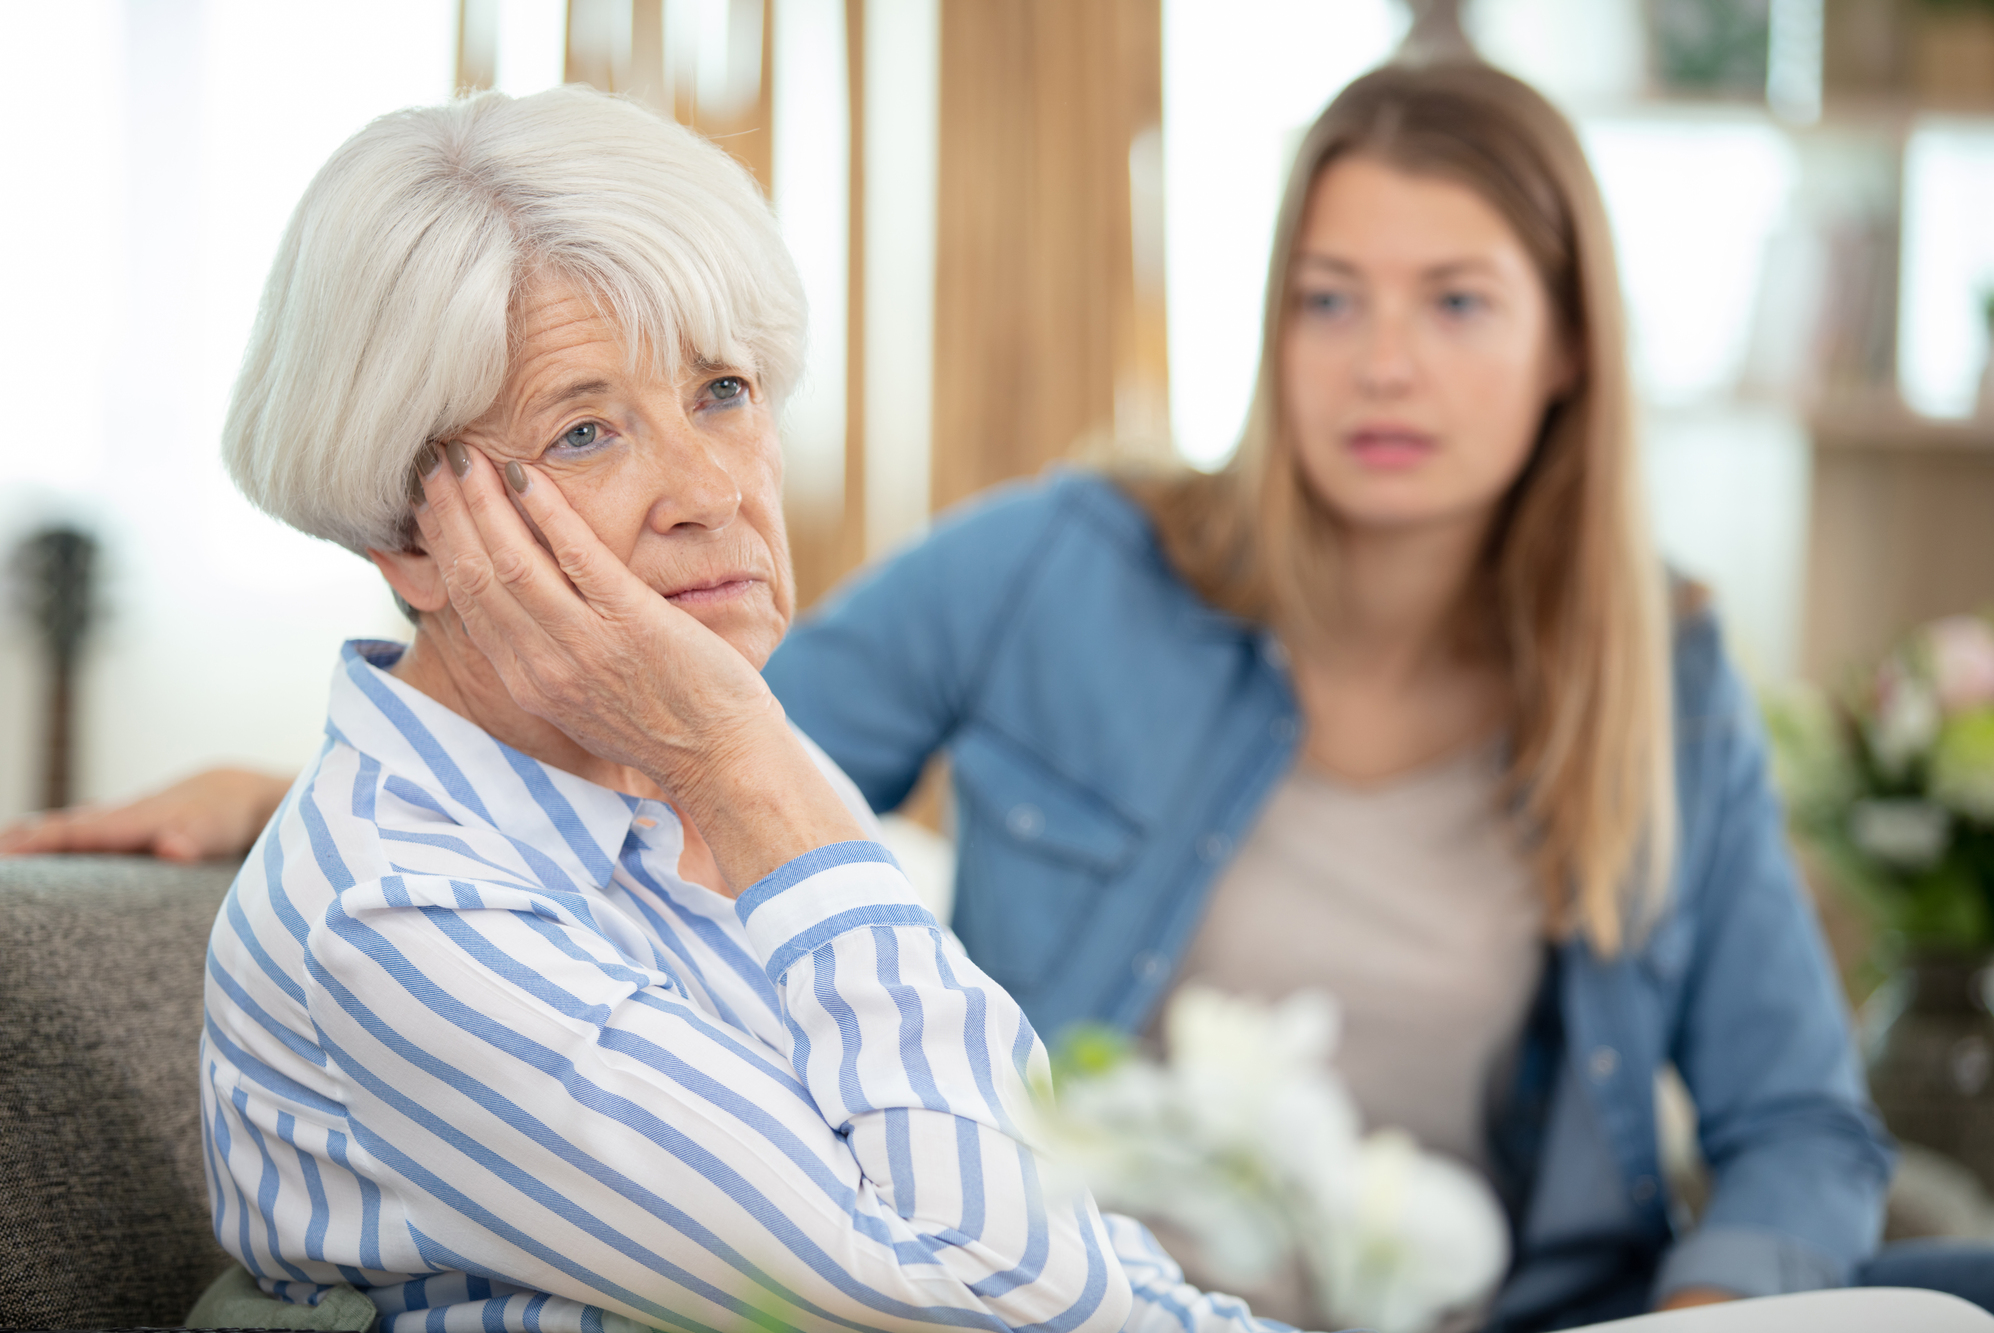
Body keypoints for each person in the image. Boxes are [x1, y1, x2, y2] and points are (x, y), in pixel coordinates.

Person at [11, 64, 1994, 1331]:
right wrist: (305, 782)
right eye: (1329, 295)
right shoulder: (1067, 563)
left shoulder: (1656, 667)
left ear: (1572, 346)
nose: (1382, 362)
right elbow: (726, 753)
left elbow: (1792, 1122)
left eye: (1456, 301)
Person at [160, 84, 1338, 1333]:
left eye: (722, 390)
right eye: (586, 431)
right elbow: (1000, 1294)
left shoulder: (689, 786)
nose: (711, 489)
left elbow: (1088, 1260)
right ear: (411, 536)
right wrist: (741, 756)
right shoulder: (403, 914)